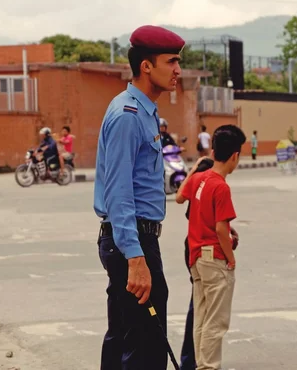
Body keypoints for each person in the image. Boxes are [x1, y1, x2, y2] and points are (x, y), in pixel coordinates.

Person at [93, 24, 185, 370]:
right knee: (145, 347)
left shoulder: (144, 111)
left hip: (132, 238)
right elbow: (118, 193)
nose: (178, 70)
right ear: (147, 66)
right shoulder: (128, 116)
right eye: (171, 62)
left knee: (123, 339)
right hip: (132, 241)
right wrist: (135, 257)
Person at [175, 124, 247, 370]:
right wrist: (231, 259)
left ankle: (199, 365)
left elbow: (179, 196)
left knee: (201, 319)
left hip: (196, 258)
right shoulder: (220, 186)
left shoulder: (199, 179)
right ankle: (208, 367)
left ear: (213, 152)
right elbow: (220, 229)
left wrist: (195, 168)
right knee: (216, 322)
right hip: (214, 259)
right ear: (235, 156)